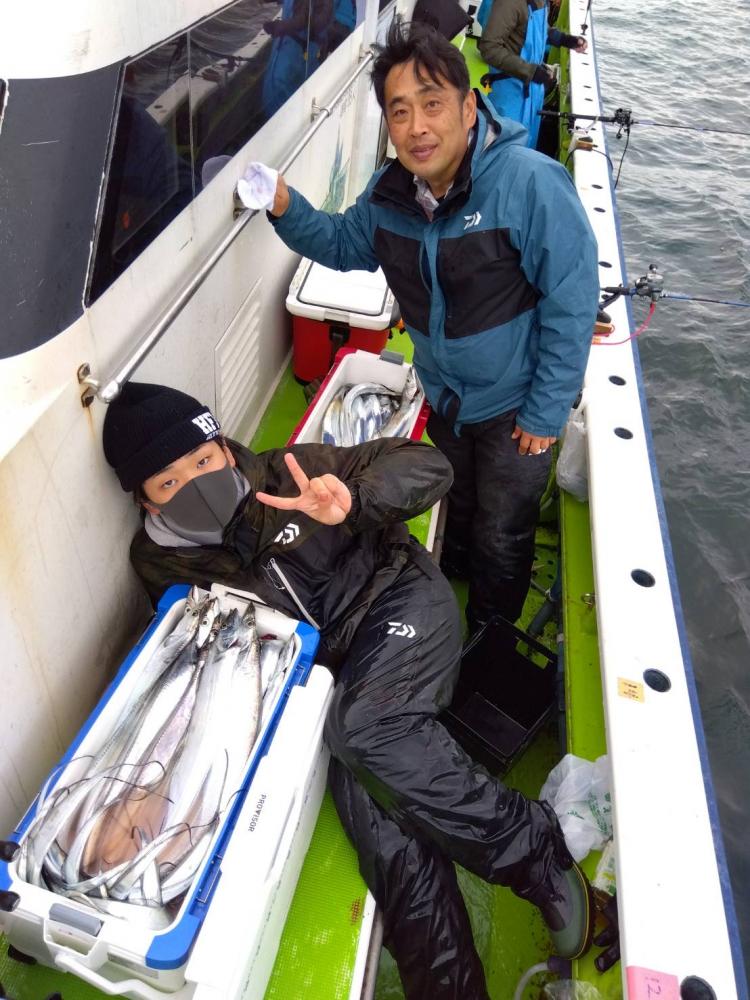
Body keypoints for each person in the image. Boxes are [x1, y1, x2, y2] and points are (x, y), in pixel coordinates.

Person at [103, 381, 594, 1000]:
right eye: (169, 482)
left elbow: (428, 465)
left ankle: (536, 852)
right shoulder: (159, 561)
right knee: (379, 823)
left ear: (224, 449)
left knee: (363, 731)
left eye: (203, 460)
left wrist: (356, 500)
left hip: (399, 601)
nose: (195, 484)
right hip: (334, 677)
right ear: (145, 500)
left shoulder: (291, 470)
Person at [259, 20, 599, 635]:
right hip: (444, 398)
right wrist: (284, 205)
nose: (417, 126)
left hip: (517, 409)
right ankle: (454, 582)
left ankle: (489, 634)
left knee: (504, 530)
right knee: (458, 502)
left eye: (433, 103)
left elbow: (572, 301)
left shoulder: (529, 183)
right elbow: (342, 243)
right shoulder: (389, 195)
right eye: (400, 111)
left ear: (469, 109)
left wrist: (545, 414)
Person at [477, 0, 587, 147]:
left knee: (526, 145)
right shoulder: (509, 3)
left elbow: (537, 29)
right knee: (505, 148)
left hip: (533, 94)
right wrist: (530, 71)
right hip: (510, 94)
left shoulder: (541, 2)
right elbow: (489, 48)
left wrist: (564, 40)